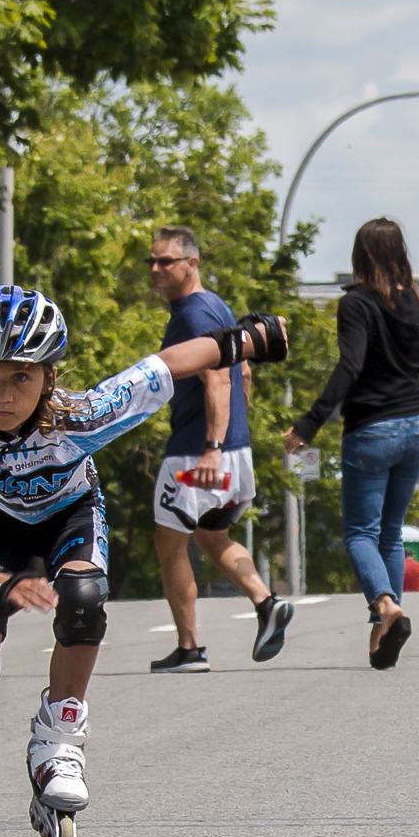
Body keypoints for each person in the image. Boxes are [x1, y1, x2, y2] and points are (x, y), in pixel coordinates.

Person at [0, 285, 288, 837]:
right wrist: (2, 585)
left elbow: (167, 363)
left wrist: (245, 339)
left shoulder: (83, 416)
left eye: (21, 378)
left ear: (49, 379)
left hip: (70, 517)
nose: (3, 396)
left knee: (83, 600)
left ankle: (57, 743)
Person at [284, 218, 419, 670]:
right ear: (401, 254)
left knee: (360, 532)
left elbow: (350, 366)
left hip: (372, 432)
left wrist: (309, 423)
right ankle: (382, 637)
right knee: (390, 533)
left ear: (360, 257)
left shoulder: (357, 305)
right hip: (415, 431)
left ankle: (387, 609)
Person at [144, 226, 295, 673]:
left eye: (165, 261)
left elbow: (216, 378)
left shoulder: (194, 313)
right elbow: (242, 374)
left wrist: (213, 448)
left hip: (196, 452)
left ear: (191, 264)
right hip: (230, 448)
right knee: (212, 536)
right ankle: (266, 602)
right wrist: (235, 438)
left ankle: (189, 648)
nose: (155, 268)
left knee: (169, 544)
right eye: (151, 261)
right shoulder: (214, 307)